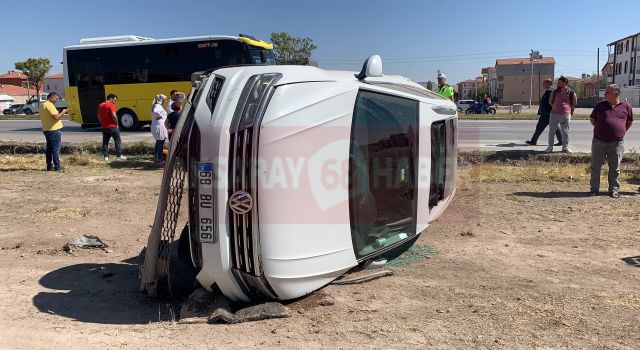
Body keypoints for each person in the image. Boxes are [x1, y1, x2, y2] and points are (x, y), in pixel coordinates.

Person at [589, 84, 633, 198]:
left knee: (615, 168)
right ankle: (594, 189)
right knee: (595, 166)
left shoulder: (626, 106)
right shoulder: (600, 105)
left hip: (616, 143)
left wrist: (619, 131)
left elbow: (629, 122)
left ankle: (613, 189)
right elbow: (593, 119)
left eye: (607, 92)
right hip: (599, 141)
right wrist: (602, 130)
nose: (604, 94)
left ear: (616, 94)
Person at [526, 79, 562, 146]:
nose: (543, 85)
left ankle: (533, 141)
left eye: (544, 83)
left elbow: (551, 103)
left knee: (539, 127)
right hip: (549, 113)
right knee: (555, 127)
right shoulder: (550, 91)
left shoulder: (550, 91)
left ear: (548, 83)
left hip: (547, 114)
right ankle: (561, 140)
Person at [546, 76, 576, 153]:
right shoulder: (555, 92)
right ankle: (550, 147)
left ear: (565, 83)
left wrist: (569, 113)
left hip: (565, 115)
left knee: (565, 132)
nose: (558, 83)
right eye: (558, 82)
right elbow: (550, 101)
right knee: (551, 131)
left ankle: (565, 147)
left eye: (560, 82)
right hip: (554, 114)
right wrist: (555, 106)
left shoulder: (571, 93)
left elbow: (573, 104)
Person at [39, 92, 67, 171]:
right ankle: (57, 166)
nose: (56, 100)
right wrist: (64, 111)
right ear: (51, 97)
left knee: (49, 149)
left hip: (46, 129)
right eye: (56, 98)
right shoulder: (49, 105)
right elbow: (56, 117)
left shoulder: (42, 105)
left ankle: (49, 165)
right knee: (56, 149)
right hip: (54, 130)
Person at [97, 94, 127, 161]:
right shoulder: (111, 105)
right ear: (111, 98)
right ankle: (119, 156)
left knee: (105, 142)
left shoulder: (100, 105)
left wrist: (102, 122)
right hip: (112, 126)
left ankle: (106, 157)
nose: (115, 102)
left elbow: (98, 116)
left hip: (104, 127)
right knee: (117, 141)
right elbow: (114, 115)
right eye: (115, 100)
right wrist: (116, 123)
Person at [151, 94, 169, 165]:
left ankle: (156, 158)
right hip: (159, 126)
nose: (165, 101)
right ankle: (159, 159)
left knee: (158, 142)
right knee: (160, 142)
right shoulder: (158, 106)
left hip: (156, 125)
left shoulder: (154, 105)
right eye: (164, 99)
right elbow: (156, 111)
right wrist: (160, 116)